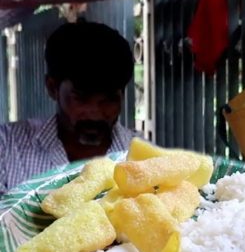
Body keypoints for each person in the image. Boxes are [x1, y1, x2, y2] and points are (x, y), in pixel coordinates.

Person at [0, 21, 141, 195]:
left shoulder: (143, 157)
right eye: (81, 98)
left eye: (109, 99)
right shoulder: (8, 147)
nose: (95, 113)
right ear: (53, 88)